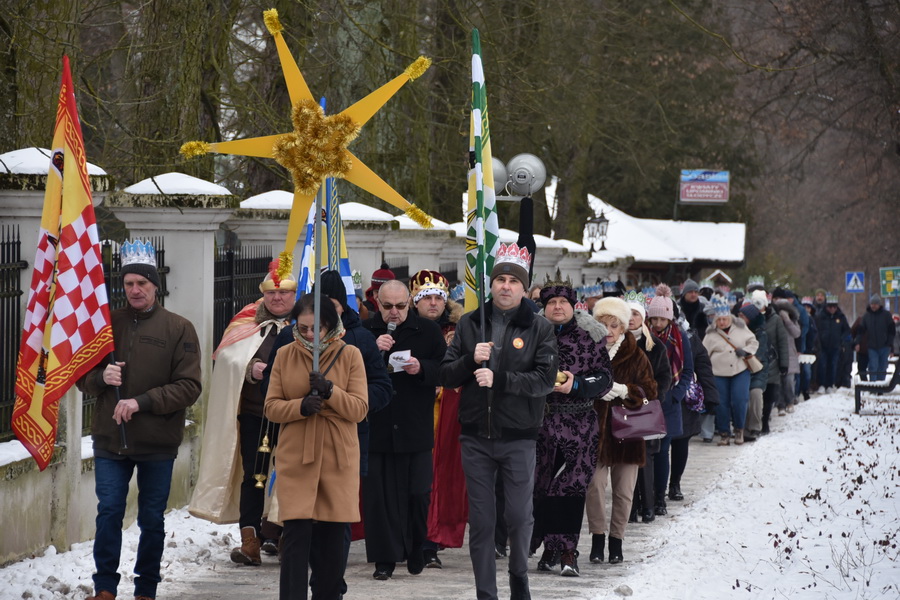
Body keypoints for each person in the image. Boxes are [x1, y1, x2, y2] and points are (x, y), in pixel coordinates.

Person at [77, 240, 202, 600]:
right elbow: (81, 377)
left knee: (151, 518)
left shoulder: (179, 328)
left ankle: (145, 588)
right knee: (109, 512)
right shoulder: (106, 325)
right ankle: (104, 587)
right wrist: (102, 378)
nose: (135, 290)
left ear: (155, 286)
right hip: (109, 439)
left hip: (157, 441)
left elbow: (189, 387)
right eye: (129, 283)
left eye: (142, 283)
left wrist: (141, 402)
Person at [262, 271, 392, 598]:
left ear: (330, 325)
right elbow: (271, 407)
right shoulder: (285, 354)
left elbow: (359, 408)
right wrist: (300, 406)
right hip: (297, 455)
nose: (310, 334)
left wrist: (331, 391)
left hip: (338, 455)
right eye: (303, 328)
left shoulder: (350, 354)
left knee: (333, 545)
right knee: (295, 540)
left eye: (316, 328)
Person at [440, 242, 558, 600]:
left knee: (519, 516)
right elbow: (446, 374)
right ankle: (485, 592)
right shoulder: (469, 323)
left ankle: (518, 577)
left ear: (524, 288)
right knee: (482, 521)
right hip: (475, 436)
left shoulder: (539, 327)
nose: (506, 286)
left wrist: (500, 378)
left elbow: (544, 380)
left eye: (513, 281)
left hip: (518, 436)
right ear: (490, 285)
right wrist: (469, 361)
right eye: (500, 280)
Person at [189, 259, 296, 565]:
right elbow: (227, 358)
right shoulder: (247, 320)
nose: (277, 298)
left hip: (292, 416)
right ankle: (250, 539)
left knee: (289, 475)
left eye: (283, 292)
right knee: (255, 476)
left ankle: (284, 534)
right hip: (255, 414)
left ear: (294, 294)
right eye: (271, 292)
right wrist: (251, 367)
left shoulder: (305, 324)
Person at [363, 279, 447, 581]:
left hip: (415, 426)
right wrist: (373, 351)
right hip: (378, 427)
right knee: (379, 499)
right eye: (387, 306)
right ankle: (384, 559)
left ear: (409, 303)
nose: (394, 312)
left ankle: (415, 548)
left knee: (418, 494)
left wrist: (421, 368)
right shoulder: (365, 332)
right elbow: (348, 371)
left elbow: (445, 368)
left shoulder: (428, 331)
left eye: (400, 306)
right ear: (377, 303)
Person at [532, 278, 612, 577]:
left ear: (572, 305)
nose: (557, 307)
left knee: (570, 488)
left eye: (562, 302)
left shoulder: (589, 337)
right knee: (541, 486)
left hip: (580, 424)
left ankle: (567, 550)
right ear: (544, 307)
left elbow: (604, 378)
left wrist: (576, 384)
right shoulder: (532, 335)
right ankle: (548, 546)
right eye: (551, 302)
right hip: (541, 423)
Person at [584, 296, 658, 566]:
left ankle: (617, 541)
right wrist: (593, 391)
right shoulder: (588, 353)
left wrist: (626, 390)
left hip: (628, 434)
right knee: (594, 486)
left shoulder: (636, 355)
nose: (608, 330)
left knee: (624, 492)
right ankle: (597, 539)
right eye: (603, 324)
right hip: (595, 433)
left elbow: (651, 391)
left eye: (614, 325)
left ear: (624, 327)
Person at [410, 270, 467, 569]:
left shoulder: (461, 330)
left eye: (438, 298)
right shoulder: (404, 328)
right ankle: (408, 538)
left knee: (439, 479)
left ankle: (431, 541)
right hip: (411, 412)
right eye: (427, 297)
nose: (433, 303)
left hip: (446, 414)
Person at [624, 291, 671, 523]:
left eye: (635, 314)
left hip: (645, 408)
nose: (631, 318)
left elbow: (664, 377)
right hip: (622, 409)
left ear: (643, 317)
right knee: (626, 459)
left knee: (646, 458)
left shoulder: (655, 346)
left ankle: (649, 505)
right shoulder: (616, 342)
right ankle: (631, 507)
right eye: (627, 313)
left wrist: (652, 396)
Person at [646, 285, 693, 517]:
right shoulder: (645, 335)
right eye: (653, 318)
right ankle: (646, 496)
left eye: (662, 319)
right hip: (647, 401)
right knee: (648, 452)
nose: (657, 323)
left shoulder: (679, 337)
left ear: (670, 318)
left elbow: (688, 371)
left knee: (663, 450)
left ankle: (659, 497)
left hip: (670, 401)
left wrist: (676, 395)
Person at [703, 298, 759, 445]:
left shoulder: (740, 328)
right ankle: (724, 433)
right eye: (719, 319)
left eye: (725, 319)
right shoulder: (711, 333)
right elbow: (704, 354)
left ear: (730, 318)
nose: (722, 322)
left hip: (739, 369)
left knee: (740, 400)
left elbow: (753, 342)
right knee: (721, 403)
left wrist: (746, 351)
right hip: (718, 372)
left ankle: (739, 430)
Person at [738, 303, 768, 441]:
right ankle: (742, 427)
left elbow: (758, 354)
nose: (739, 318)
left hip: (757, 369)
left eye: (743, 316)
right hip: (740, 369)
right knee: (741, 398)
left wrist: (745, 352)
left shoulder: (761, 333)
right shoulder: (737, 331)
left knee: (755, 394)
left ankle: (755, 427)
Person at [855, 294, 895, 381]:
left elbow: (892, 331)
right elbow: (861, 331)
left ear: (879, 304)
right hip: (872, 347)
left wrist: (890, 344)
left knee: (882, 367)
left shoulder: (886, 315)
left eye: (875, 304)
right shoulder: (866, 316)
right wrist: (857, 342)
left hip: (885, 346)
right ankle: (873, 384)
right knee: (873, 366)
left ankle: (880, 385)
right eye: (872, 304)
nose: (873, 306)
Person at [815, 295, 850, 392]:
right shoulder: (820, 317)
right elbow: (816, 330)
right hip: (823, 346)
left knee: (833, 366)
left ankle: (830, 384)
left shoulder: (841, 317)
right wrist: (818, 341)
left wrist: (841, 340)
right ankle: (822, 384)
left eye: (834, 307)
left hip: (835, 346)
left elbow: (846, 330)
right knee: (822, 365)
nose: (832, 309)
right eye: (830, 307)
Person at [773, 298, 801, 415]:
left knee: (789, 381)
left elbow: (796, 333)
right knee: (778, 382)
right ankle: (781, 405)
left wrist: (787, 320)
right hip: (777, 354)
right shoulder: (774, 320)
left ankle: (790, 402)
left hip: (790, 355)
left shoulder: (792, 320)